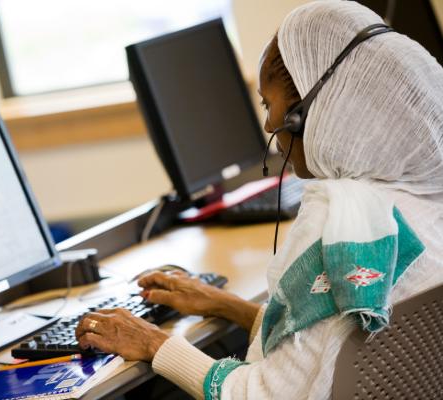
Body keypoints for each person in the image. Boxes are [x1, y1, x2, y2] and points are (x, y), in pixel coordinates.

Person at [75, 1, 443, 398]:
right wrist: (225, 305)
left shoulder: (338, 223)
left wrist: (151, 342)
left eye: (271, 105)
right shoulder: (418, 201)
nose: (269, 125)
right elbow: (329, 348)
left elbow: (259, 395)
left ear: (304, 115)